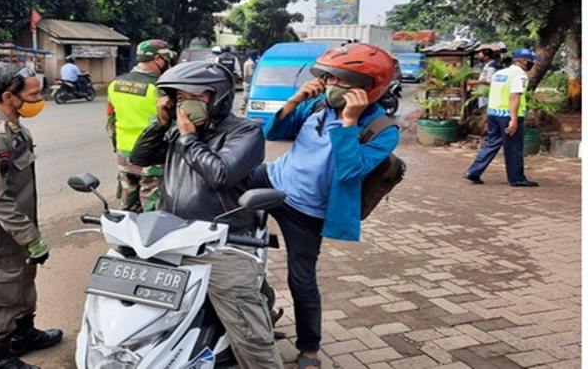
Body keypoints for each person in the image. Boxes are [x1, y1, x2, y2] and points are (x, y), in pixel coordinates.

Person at [245, 43, 399, 369]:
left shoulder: (382, 130)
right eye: (328, 77)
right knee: (219, 221)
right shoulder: (316, 105)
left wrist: (349, 121)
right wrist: (296, 98)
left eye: (340, 80)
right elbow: (273, 132)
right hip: (272, 179)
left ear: (368, 88)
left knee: (301, 280)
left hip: (308, 211)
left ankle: (310, 349)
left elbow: (350, 171)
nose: (331, 84)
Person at [130, 61, 283, 369]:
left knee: (249, 333)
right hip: (172, 236)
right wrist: (160, 124)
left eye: (196, 97)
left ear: (220, 98)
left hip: (221, 241)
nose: (187, 104)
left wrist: (188, 138)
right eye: (180, 97)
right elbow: (139, 157)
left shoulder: (245, 132)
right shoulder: (176, 130)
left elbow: (220, 174)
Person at [0, 64, 62, 369]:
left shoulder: (13, 126)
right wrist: (30, 237)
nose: (39, 98)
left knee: (22, 283)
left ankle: (23, 335)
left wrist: (29, 236)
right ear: (9, 96)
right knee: (1, 291)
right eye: (33, 94)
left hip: (16, 230)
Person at [107, 39, 176, 212]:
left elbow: (111, 122)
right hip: (152, 157)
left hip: (124, 154)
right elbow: (172, 123)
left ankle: (125, 239)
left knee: (127, 207)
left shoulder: (116, 83)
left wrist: (118, 147)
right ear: (159, 59)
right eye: (167, 60)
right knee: (152, 212)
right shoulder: (160, 87)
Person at [464, 48, 540, 187]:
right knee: (513, 147)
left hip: (493, 113)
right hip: (507, 115)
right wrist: (514, 119)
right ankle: (517, 178)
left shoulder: (500, 73)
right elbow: (514, 96)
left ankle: (473, 171)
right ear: (523, 61)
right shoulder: (519, 75)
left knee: (491, 143)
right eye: (531, 61)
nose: (532, 64)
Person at [238, 49, 259, 115]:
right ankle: (241, 113)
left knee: (247, 97)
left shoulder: (249, 62)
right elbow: (251, 74)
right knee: (246, 97)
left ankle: (242, 112)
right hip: (249, 82)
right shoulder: (251, 63)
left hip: (247, 81)